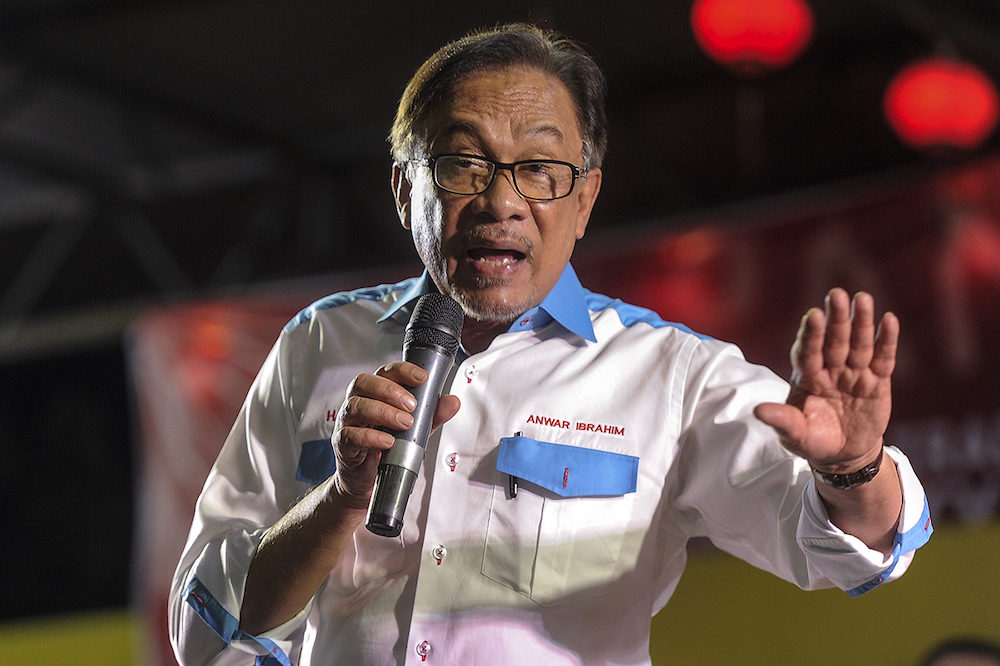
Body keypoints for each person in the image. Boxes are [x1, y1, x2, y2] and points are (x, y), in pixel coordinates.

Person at [169, 23, 932, 666]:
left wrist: (851, 466)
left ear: (585, 198)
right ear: (406, 191)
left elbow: (852, 551)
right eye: (464, 163)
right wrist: (341, 500)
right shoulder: (318, 344)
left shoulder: (670, 373)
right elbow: (205, 626)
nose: (502, 201)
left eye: (539, 168)